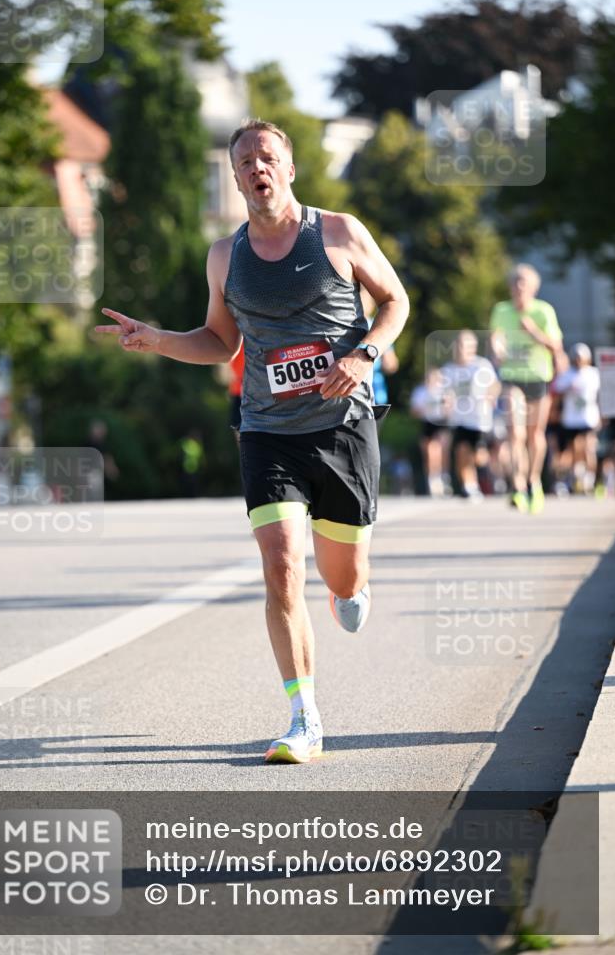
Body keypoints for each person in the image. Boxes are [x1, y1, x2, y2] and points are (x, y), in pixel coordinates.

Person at [95, 118, 409, 764]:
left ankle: (350, 589)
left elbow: (395, 301)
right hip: (267, 432)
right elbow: (220, 342)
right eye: (245, 161)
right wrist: (156, 339)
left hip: (342, 427)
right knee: (282, 566)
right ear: (236, 177)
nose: (256, 168)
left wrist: (365, 355)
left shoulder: (340, 232)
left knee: (342, 578)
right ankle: (304, 717)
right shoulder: (224, 256)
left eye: (267, 157)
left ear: (288, 169)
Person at [489, 264, 563, 514]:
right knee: (515, 432)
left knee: (535, 435)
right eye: (515, 282)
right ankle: (518, 486)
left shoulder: (544, 311)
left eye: (523, 283)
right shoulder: (501, 310)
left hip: (538, 376)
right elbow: (495, 337)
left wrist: (534, 332)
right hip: (512, 377)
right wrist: (497, 348)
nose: (518, 287)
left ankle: (534, 481)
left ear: (533, 287)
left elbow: (556, 346)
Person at [440, 330, 500, 501]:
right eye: (459, 345)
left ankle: (489, 477)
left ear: (473, 348)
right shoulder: (448, 369)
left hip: (479, 419)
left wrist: (491, 397)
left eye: (466, 345)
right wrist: (446, 402)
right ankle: (469, 486)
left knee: (479, 456)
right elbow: (445, 392)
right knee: (461, 452)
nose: (462, 349)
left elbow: (495, 385)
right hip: (459, 418)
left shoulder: (481, 365)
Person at [552, 343, 601, 495]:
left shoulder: (593, 374)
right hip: (571, 420)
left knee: (588, 448)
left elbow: (602, 395)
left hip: (588, 418)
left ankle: (590, 479)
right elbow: (555, 393)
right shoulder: (566, 375)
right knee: (573, 449)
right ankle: (575, 477)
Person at [409, 368, 450, 496]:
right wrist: (424, 409)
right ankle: (433, 479)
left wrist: (445, 407)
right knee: (429, 452)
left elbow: (450, 409)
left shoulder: (443, 391)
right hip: (427, 423)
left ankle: (444, 477)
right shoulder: (420, 392)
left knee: (441, 451)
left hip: (440, 423)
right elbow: (414, 412)